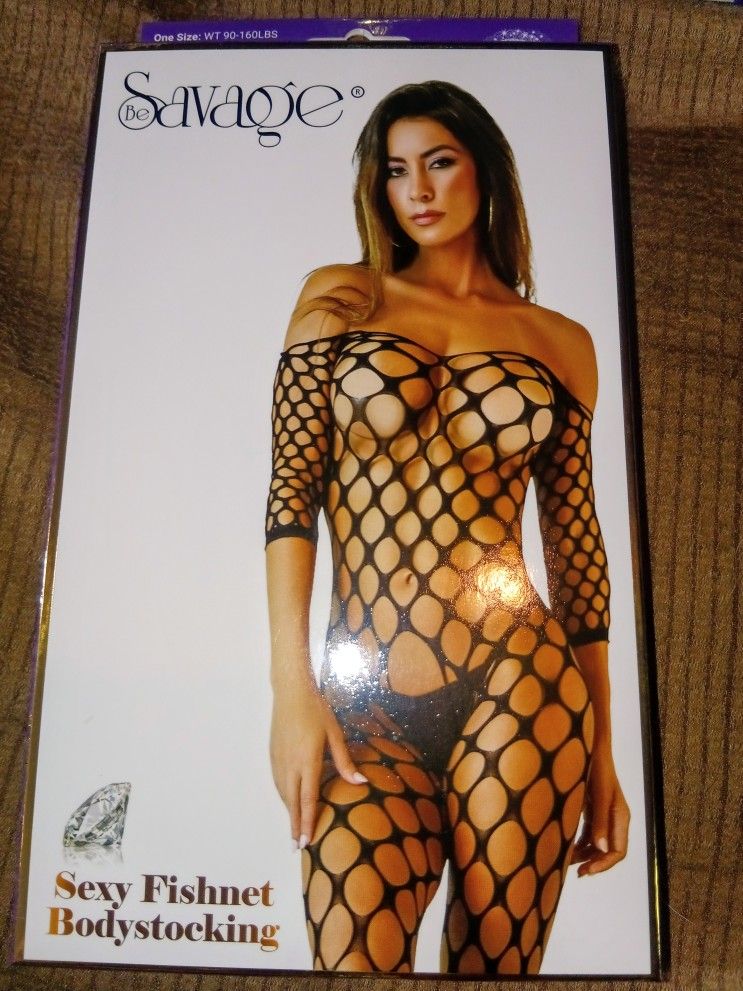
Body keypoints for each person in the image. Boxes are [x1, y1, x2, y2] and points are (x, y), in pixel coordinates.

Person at [265, 80, 629, 975]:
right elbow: (291, 491)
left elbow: (575, 549)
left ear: (484, 171)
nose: (417, 189)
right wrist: (291, 689)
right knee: (353, 962)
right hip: (361, 698)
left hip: (525, 683)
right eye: (395, 171)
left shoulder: (559, 340)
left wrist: (603, 756)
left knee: (495, 971)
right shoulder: (342, 296)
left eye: (438, 162)